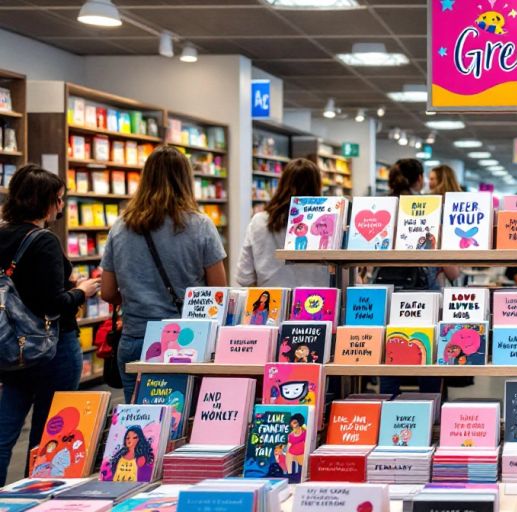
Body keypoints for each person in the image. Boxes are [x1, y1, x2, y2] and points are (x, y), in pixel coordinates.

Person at [101, 146, 228, 403]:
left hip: (135, 338)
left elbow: (107, 292)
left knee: (139, 421)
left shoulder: (121, 226)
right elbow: (218, 293)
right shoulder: (200, 225)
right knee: (184, 422)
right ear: (186, 180)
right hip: (188, 339)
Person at [0, 165, 101, 484]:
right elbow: (53, 304)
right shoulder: (43, 240)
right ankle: (35, 494)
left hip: (10, 347)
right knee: (48, 435)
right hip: (50, 347)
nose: (61, 206)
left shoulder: (2, 235)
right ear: (45, 202)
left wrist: (62, 282)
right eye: (59, 199)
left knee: (4, 430)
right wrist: (80, 291)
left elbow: (24, 284)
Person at [377, 159, 458, 397]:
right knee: (427, 354)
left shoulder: (383, 205)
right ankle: (428, 415)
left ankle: (386, 411)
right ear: (420, 179)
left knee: (390, 356)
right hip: (425, 291)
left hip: (388, 290)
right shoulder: (430, 208)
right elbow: (451, 268)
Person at [236, 158, 329, 287]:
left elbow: (244, 276)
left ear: (282, 184)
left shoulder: (259, 221)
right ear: (317, 186)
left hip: (272, 302)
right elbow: (346, 279)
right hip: (319, 302)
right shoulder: (327, 224)